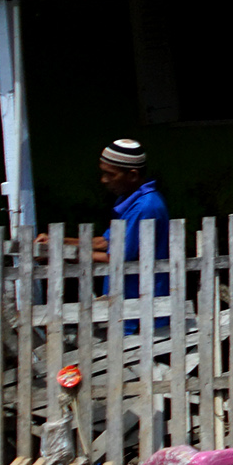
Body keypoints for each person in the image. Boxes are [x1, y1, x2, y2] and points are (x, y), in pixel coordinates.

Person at [95, 138, 171, 330]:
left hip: (139, 310)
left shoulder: (145, 207)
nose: (103, 180)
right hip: (128, 307)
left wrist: (68, 254)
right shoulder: (131, 201)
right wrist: (58, 243)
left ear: (132, 175)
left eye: (109, 174)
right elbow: (105, 242)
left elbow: (116, 257)